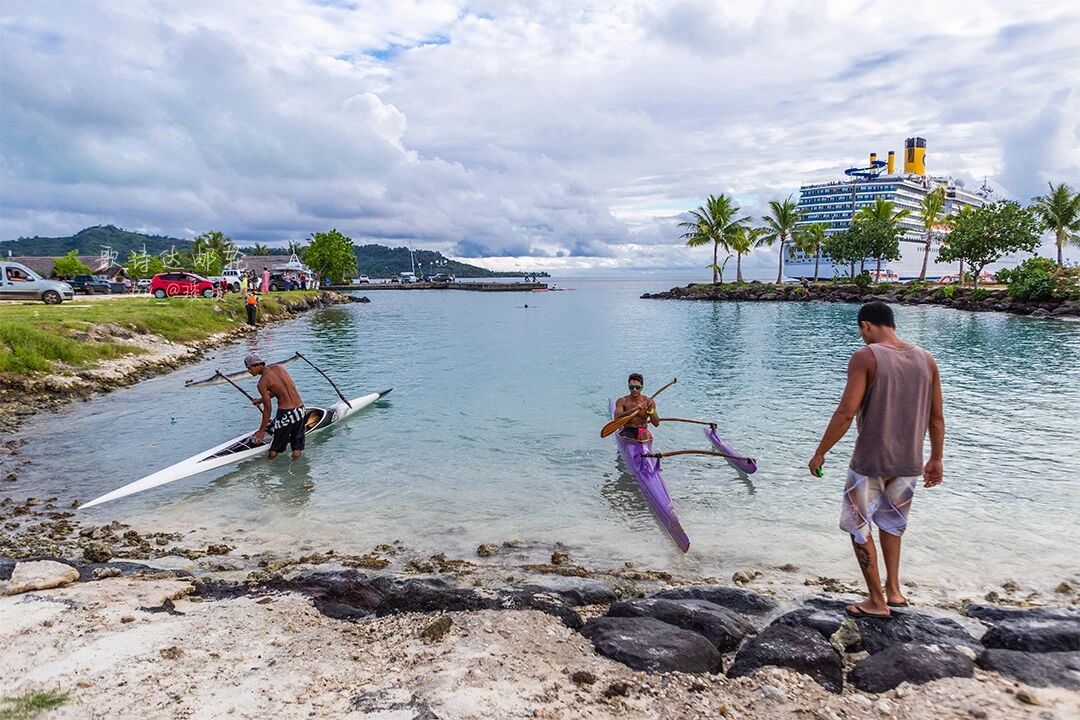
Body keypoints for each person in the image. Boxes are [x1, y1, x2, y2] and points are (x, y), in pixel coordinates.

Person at [808, 302, 945, 619]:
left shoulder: (865, 357)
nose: (862, 336)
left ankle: (876, 601)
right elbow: (936, 419)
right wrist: (936, 459)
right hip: (909, 462)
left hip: (870, 461)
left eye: (861, 331)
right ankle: (894, 591)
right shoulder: (927, 359)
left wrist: (820, 452)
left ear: (866, 326)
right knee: (892, 526)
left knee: (857, 526)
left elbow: (845, 413)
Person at [245, 352, 306, 460]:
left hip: (286, 414)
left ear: (258, 365)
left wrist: (261, 431)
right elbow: (281, 389)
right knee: (297, 448)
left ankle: (270, 470)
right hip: (300, 409)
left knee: (274, 450)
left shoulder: (262, 383)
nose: (249, 371)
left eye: (250, 368)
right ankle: (296, 472)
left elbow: (268, 409)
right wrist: (261, 400)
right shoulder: (279, 368)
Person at [613, 373, 660, 442]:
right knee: (628, 437)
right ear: (628, 386)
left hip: (643, 430)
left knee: (645, 435)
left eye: (637, 387)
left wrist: (650, 410)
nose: (634, 390)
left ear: (642, 387)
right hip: (628, 429)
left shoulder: (649, 402)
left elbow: (656, 424)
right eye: (631, 387)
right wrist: (635, 409)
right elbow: (616, 418)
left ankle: (645, 450)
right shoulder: (622, 401)